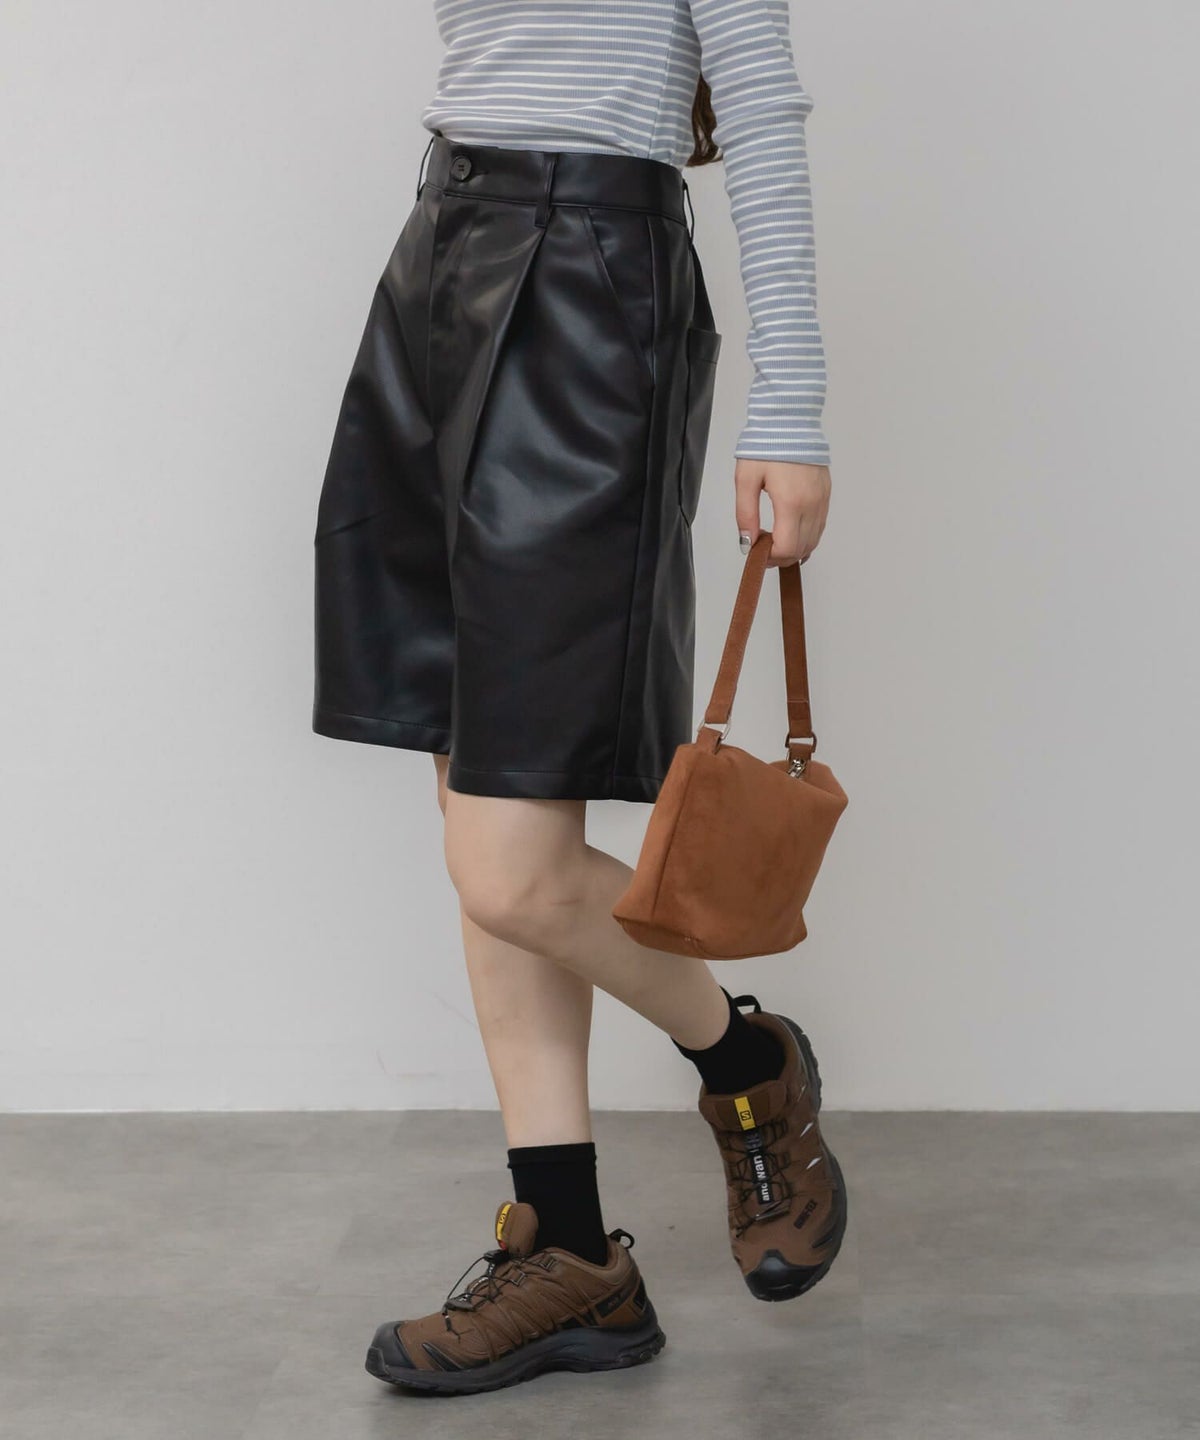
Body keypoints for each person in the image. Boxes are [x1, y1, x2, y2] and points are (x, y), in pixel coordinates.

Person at [312, 0, 845, 1396]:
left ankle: (746, 1059)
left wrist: (790, 404)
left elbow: (759, 103)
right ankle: (568, 1252)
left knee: (510, 865)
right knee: (478, 810)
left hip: (589, 292)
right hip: (443, 258)